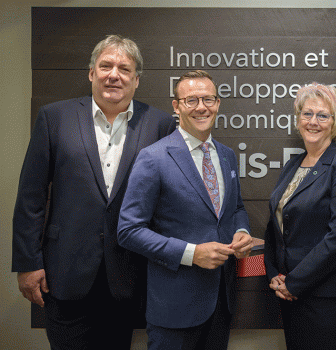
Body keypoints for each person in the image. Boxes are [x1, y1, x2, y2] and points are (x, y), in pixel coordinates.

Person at [11, 34, 176, 350]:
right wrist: (28, 263)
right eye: (106, 66)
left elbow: (166, 199)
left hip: (128, 274)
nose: (114, 74)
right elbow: (31, 196)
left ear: (136, 80)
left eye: (124, 69)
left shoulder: (158, 124)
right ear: (91, 73)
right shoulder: (55, 117)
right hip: (64, 272)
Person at [117, 69, 253, 350]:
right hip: (173, 310)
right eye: (191, 100)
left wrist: (241, 230)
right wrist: (192, 254)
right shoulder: (153, 158)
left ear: (218, 104)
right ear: (176, 106)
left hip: (220, 304)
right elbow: (128, 231)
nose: (201, 107)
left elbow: (235, 208)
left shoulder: (226, 155)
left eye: (208, 99)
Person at [263, 82, 336, 350]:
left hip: (326, 300)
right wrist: (273, 273)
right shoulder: (292, 165)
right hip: (289, 294)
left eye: (322, 115)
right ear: (298, 120)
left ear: (335, 122)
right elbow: (276, 225)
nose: (313, 122)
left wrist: (294, 282)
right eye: (307, 114)